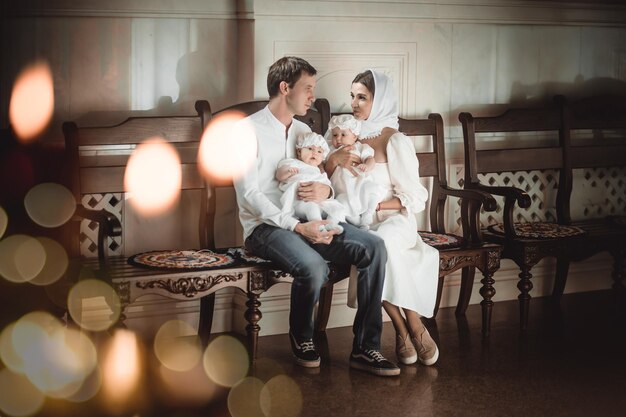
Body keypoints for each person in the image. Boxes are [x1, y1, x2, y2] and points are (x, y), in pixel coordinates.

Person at [233, 57, 399, 376]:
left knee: (373, 247)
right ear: (285, 88)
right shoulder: (245, 131)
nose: (312, 97)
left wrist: (326, 193)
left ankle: (366, 348)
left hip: (313, 217)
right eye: (308, 89)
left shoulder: (305, 130)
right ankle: (302, 335)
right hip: (266, 228)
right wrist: (298, 226)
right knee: (313, 266)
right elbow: (249, 196)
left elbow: (322, 178)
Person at [325, 69, 440, 366]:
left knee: (381, 242)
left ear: (381, 100)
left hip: (394, 219)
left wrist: (376, 208)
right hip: (360, 221)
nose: (354, 103)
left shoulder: (395, 141)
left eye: (362, 97)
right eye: (352, 96)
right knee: (371, 245)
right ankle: (404, 329)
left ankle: (412, 325)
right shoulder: (347, 135)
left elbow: (414, 198)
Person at [276, 132, 345, 233]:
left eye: (319, 151)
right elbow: (279, 176)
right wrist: (288, 171)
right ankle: (319, 228)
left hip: (320, 201)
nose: (315, 153)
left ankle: (331, 224)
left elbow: (327, 186)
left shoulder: (318, 171)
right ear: (299, 152)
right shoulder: (293, 163)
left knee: (339, 207)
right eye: (310, 149)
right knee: (311, 208)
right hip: (300, 201)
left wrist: (327, 192)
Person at [326, 114, 386, 229]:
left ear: (354, 136)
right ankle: (358, 223)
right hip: (342, 189)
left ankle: (368, 214)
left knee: (372, 189)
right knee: (341, 204)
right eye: (335, 135)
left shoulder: (360, 148)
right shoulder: (330, 151)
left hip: (360, 185)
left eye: (343, 135)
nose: (338, 138)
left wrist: (367, 166)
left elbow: (371, 159)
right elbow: (324, 166)